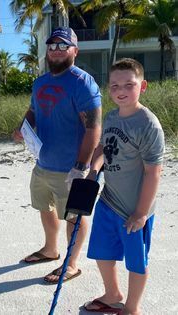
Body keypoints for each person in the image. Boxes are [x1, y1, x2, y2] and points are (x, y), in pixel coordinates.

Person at [13, 27, 102, 284]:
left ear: (75, 50)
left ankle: (72, 263)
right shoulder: (40, 82)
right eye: (52, 46)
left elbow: (93, 127)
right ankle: (51, 249)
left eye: (63, 46)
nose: (56, 51)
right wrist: (22, 127)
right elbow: (33, 111)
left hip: (70, 168)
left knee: (73, 216)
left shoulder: (82, 82)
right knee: (45, 207)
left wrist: (80, 167)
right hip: (43, 163)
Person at [84, 58, 165, 315]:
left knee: (136, 262)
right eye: (115, 85)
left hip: (134, 208)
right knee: (101, 252)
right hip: (109, 200)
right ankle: (113, 294)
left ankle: (132, 307)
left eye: (129, 85)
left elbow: (154, 172)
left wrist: (141, 213)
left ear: (142, 86)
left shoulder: (148, 124)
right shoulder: (110, 117)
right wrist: (94, 169)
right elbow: (102, 149)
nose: (121, 90)